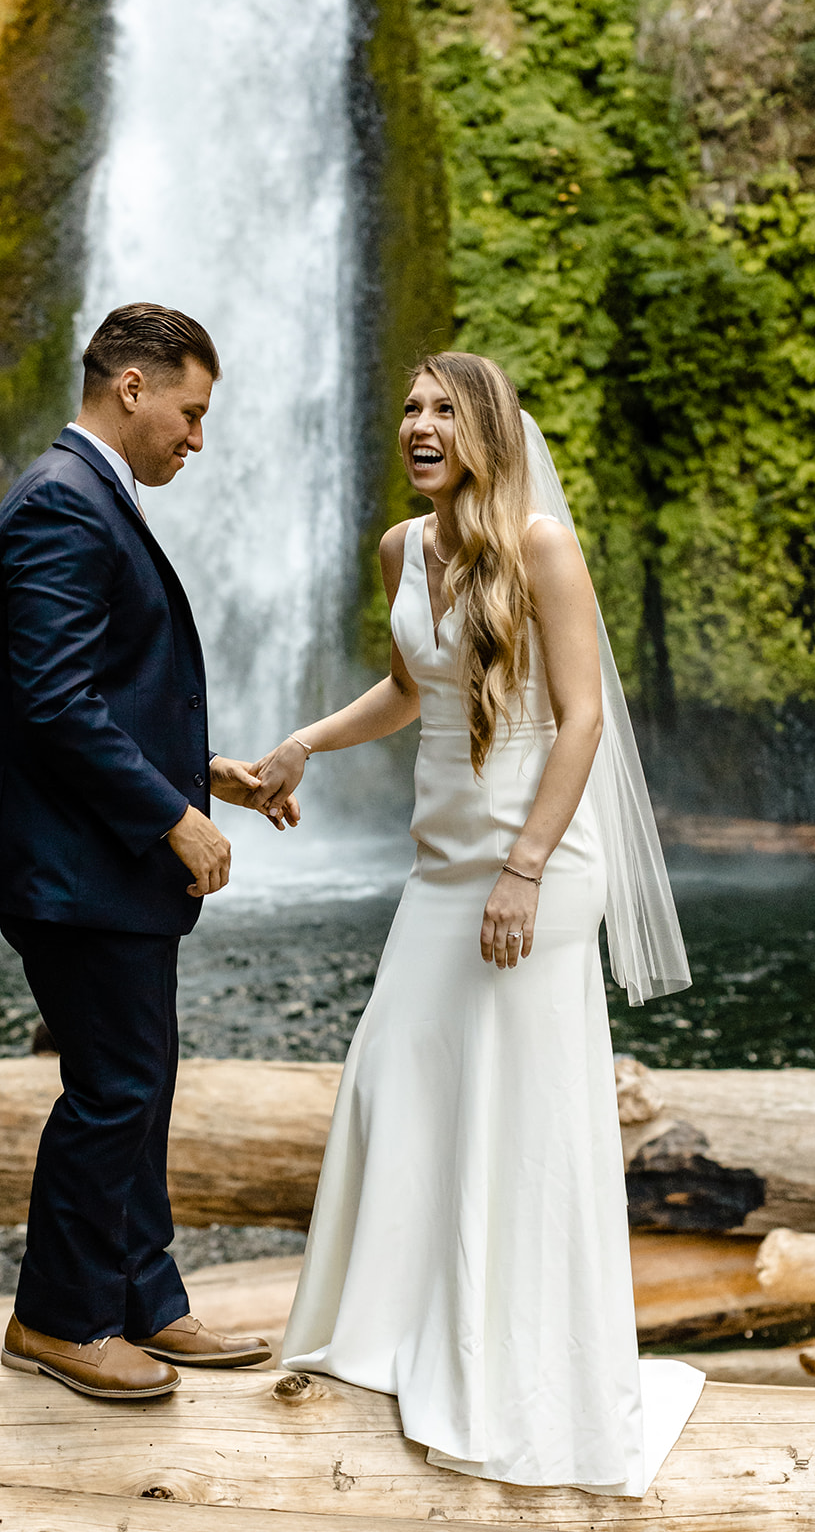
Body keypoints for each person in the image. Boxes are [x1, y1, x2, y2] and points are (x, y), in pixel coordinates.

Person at [254, 353, 703, 1496]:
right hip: (438, 862)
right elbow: (412, 690)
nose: (418, 422)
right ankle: (399, 1329)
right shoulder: (406, 548)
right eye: (408, 405)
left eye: (442, 407)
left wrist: (526, 866)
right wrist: (307, 738)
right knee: (390, 1072)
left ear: (488, 429)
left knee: (518, 1102)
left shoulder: (542, 544)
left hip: (532, 859)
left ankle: (524, 1363)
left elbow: (583, 717)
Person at [0, 302, 296, 1401]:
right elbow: (53, 704)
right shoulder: (64, 502)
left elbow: (100, 698)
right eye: (190, 414)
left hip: (93, 857)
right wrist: (171, 818)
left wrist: (210, 779)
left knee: (140, 1080)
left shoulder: (84, 494)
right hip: (74, 865)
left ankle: (144, 1296)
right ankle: (56, 1319)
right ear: (132, 387)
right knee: (114, 1086)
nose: (197, 440)